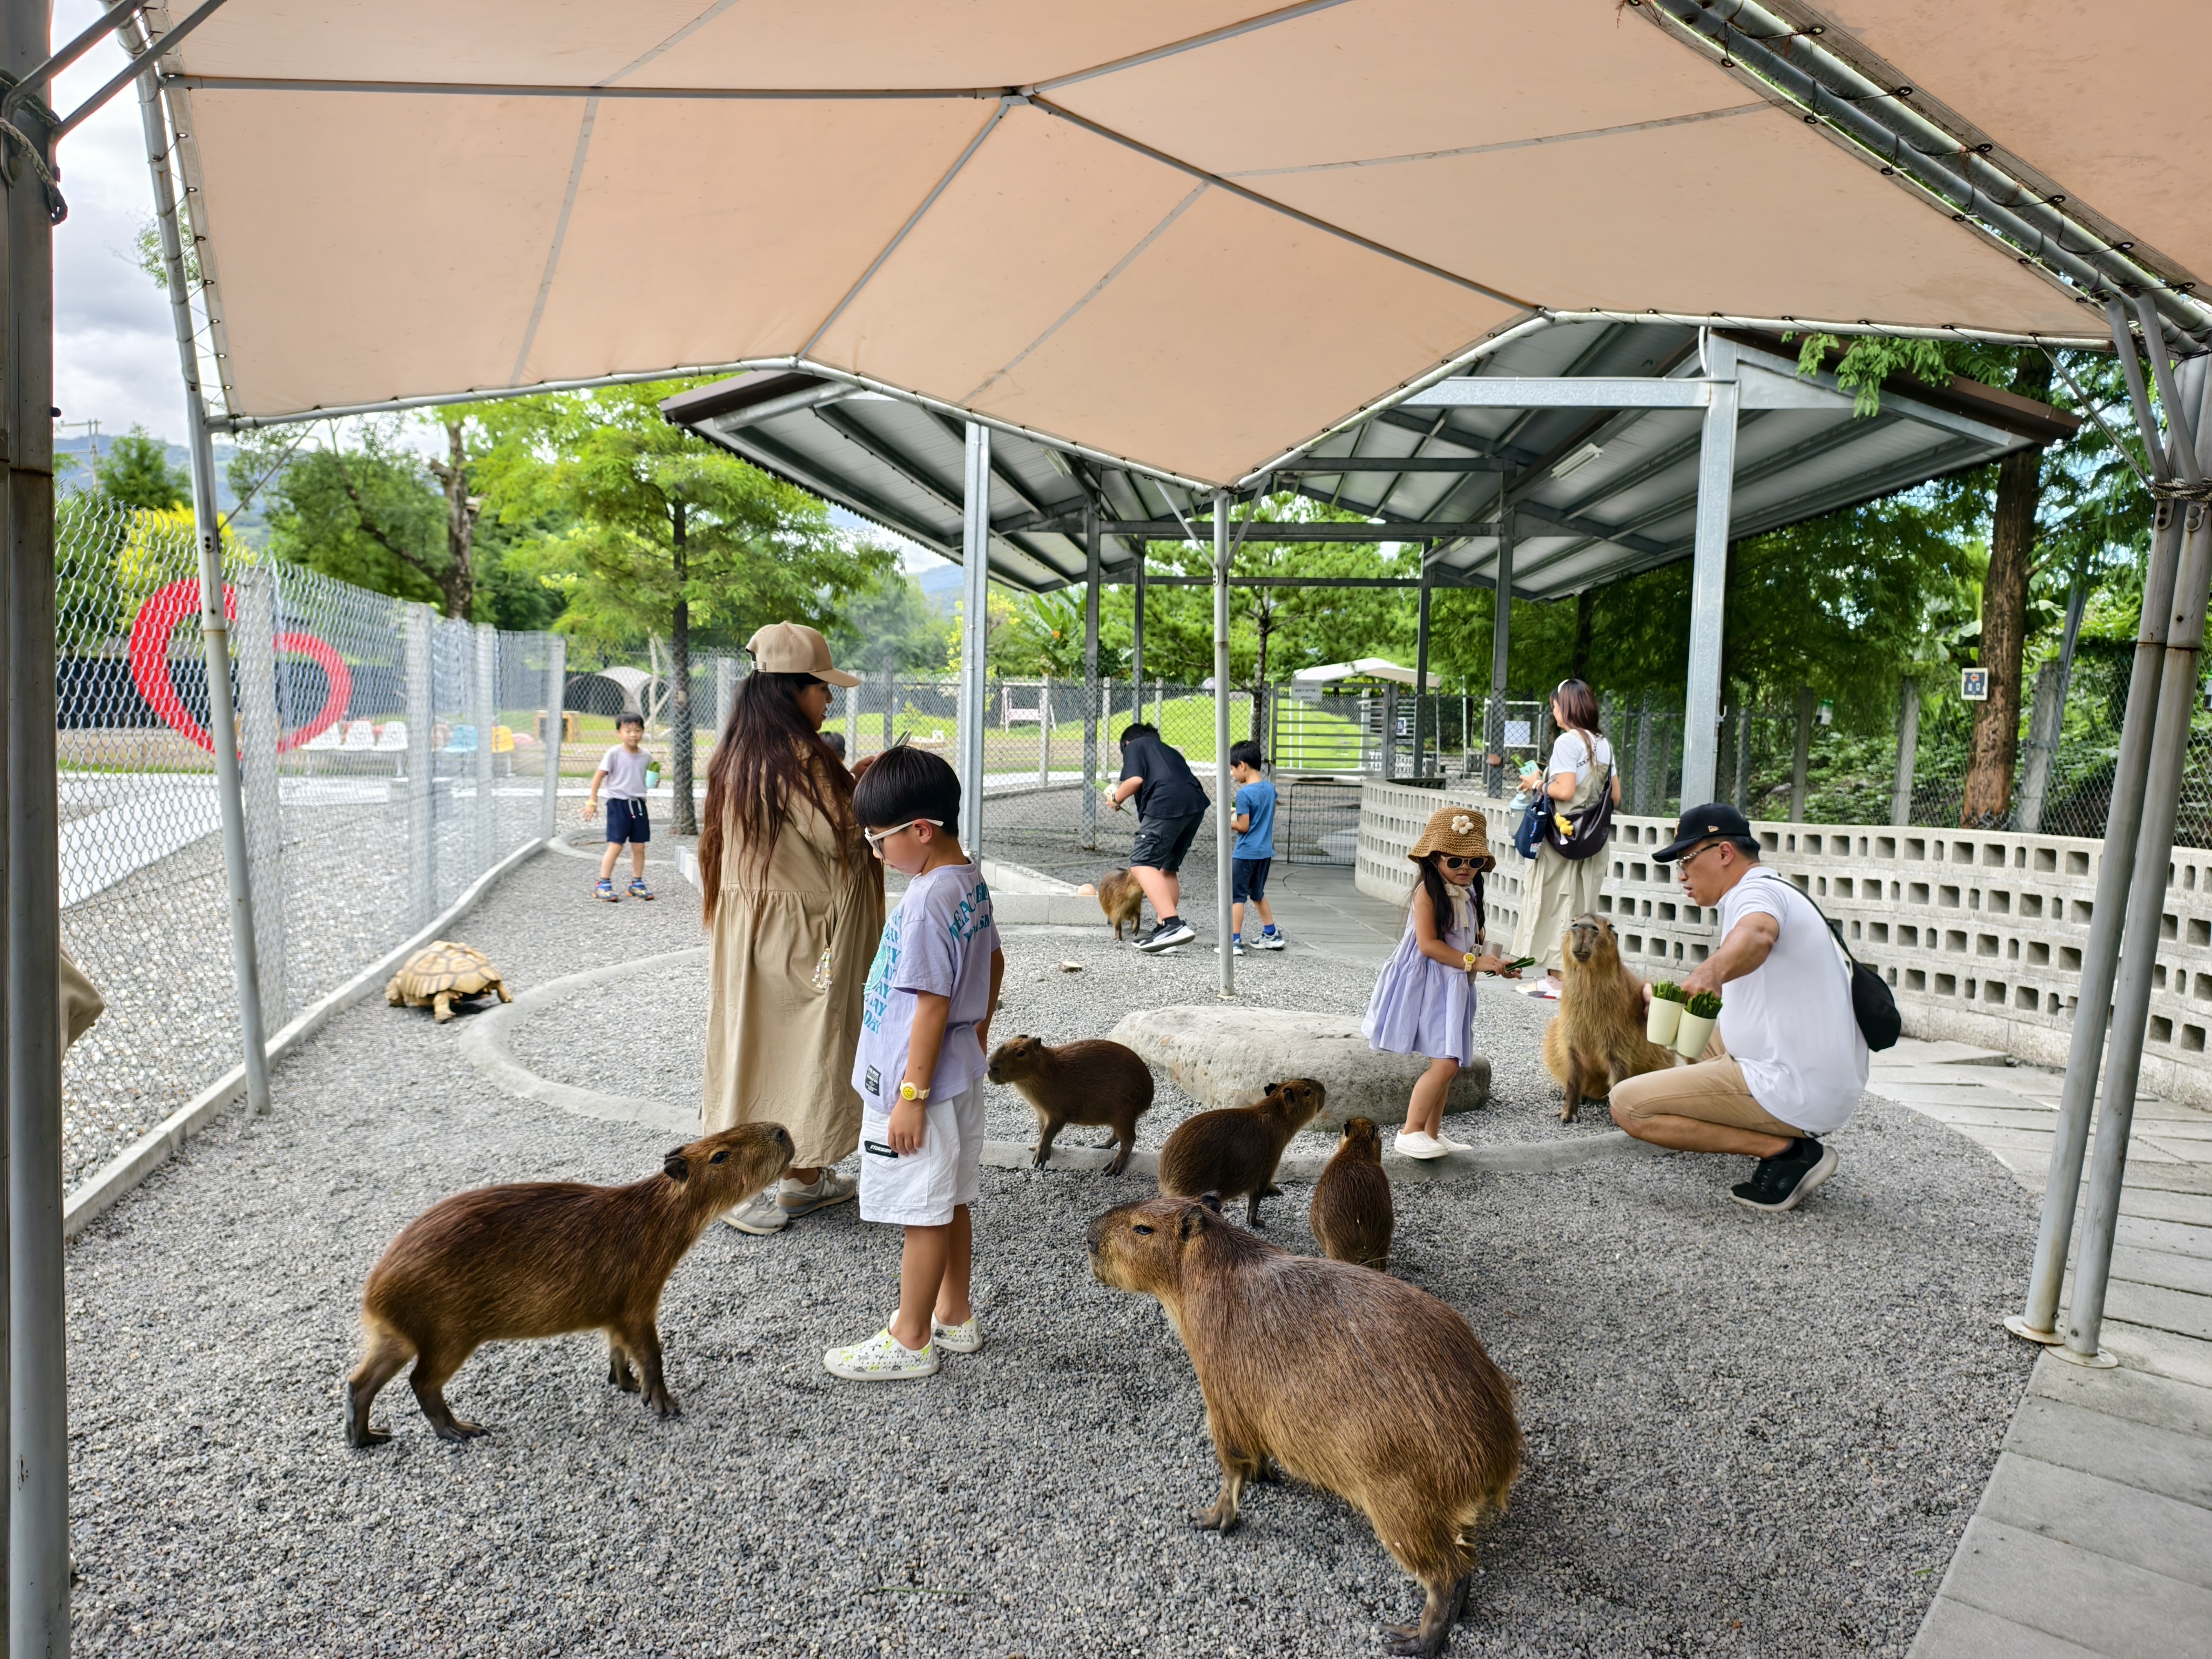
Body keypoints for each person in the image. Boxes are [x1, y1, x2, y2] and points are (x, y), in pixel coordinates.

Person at [824, 743, 1004, 1381]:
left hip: (920, 1086)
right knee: (950, 1199)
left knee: (919, 1210)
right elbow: (995, 960)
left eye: (879, 840)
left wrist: (910, 1096)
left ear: (920, 830)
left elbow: (930, 1005)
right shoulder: (966, 879)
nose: (875, 852)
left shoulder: (927, 900)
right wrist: (977, 1034)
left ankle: (910, 1338)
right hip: (954, 1072)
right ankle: (953, 1315)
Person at [699, 622, 884, 1235]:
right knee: (804, 1049)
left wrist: (847, 778)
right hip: (804, 935)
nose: (829, 699)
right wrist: (870, 787)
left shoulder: (742, 752)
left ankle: (802, 1179)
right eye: (821, 688)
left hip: (753, 932)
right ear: (790, 690)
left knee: (754, 1044)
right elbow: (842, 837)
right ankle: (736, 1187)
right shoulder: (799, 757)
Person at [1608, 804, 1866, 1212]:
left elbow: (1758, 933)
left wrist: (1710, 971)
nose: (1681, 875)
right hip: (1815, 1077)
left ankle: (1786, 1152)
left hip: (1793, 1088)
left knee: (1628, 1106)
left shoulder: (1755, 894)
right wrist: (1663, 1000)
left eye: (1686, 860)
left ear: (1725, 853)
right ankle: (1764, 1127)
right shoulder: (1777, 889)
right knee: (1684, 1029)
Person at [1363, 808, 1520, 1160]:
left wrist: (1497, 963)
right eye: (1455, 860)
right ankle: (1410, 1131)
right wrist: (1472, 962)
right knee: (1446, 1062)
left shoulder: (1469, 893)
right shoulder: (1428, 893)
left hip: (1454, 985)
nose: (1465, 868)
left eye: (1475, 861)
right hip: (1430, 986)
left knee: (1451, 1062)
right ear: (1433, 858)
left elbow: (1473, 945)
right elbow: (1428, 945)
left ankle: (1431, 1134)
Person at [1512, 679, 1620, 997]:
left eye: (1555, 706)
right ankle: (1574, 979)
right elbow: (1615, 796)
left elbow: (1566, 790)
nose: (1554, 712)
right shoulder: (1603, 744)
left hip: (1563, 836)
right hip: (1592, 840)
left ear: (1567, 707)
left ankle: (1557, 981)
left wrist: (1536, 783)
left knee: (1555, 902)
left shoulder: (1567, 742)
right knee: (1581, 906)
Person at [1105, 721, 1210, 953]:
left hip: (1166, 802)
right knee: (1167, 868)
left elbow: (1134, 781)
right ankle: (1164, 929)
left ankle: (1172, 925)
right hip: (1194, 804)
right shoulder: (1169, 751)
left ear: (1127, 743)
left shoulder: (1135, 745)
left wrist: (1115, 799)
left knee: (1141, 863)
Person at [583, 710, 657, 902]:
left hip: (638, 806)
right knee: (616, 845)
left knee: (639, 846)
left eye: (637, 730)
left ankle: (637, 883)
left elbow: (649, 782)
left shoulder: (647, 756)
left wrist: (654, 780)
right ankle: (603, 884)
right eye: (628, 731)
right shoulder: (614, 753)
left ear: (643, 732)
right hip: (618, 805)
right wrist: (592, 802)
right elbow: (598, 777)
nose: (633, 735)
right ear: (619, 733)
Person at [1226, 740, 1285, 956]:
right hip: (1265, 852)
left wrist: (1226, 821)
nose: (1233, 774)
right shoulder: (1270, 788)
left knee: (1237, 897)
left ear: (1242, 766)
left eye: (1233, 769)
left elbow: (1243, 826)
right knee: (1257, 893)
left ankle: (1234, 941)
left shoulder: (1244, 794)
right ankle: (1271, 934)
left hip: (1246, 852)